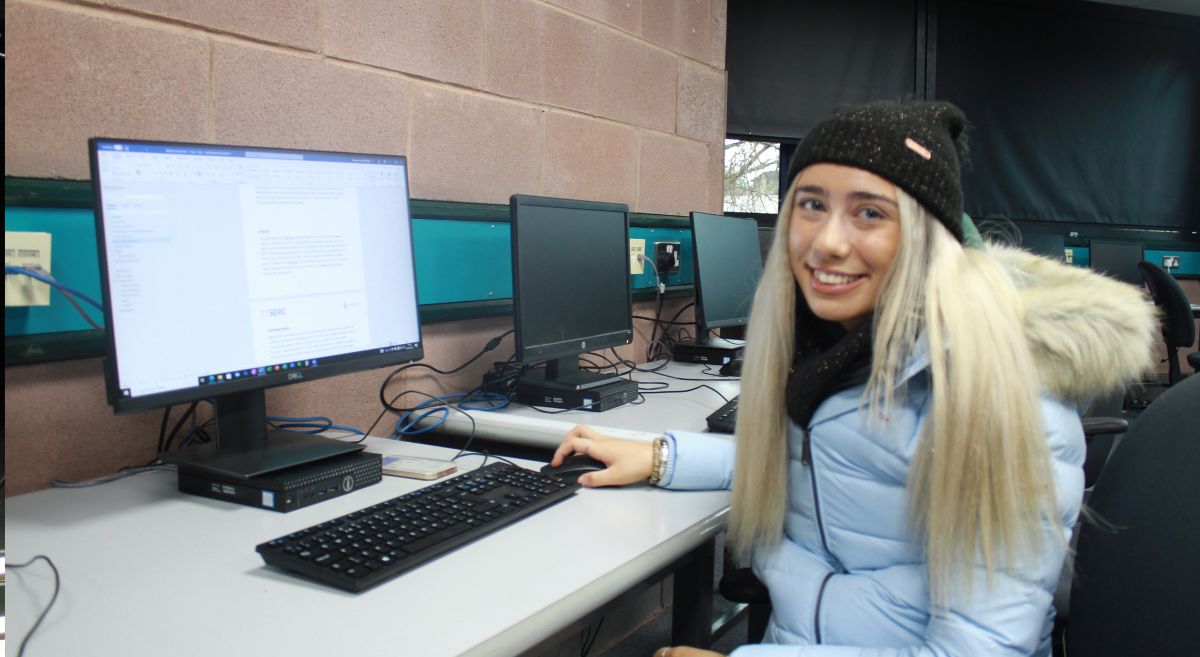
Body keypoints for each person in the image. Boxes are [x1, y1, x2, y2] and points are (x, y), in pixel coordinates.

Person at [550, 100, 1158, 657]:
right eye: (812, 205)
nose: (828, 242)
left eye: (870, 213)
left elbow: (979, 651)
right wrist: (662, 457)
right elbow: (820, 468)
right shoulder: (830, 347)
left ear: (926, 239)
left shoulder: (1001, 395)